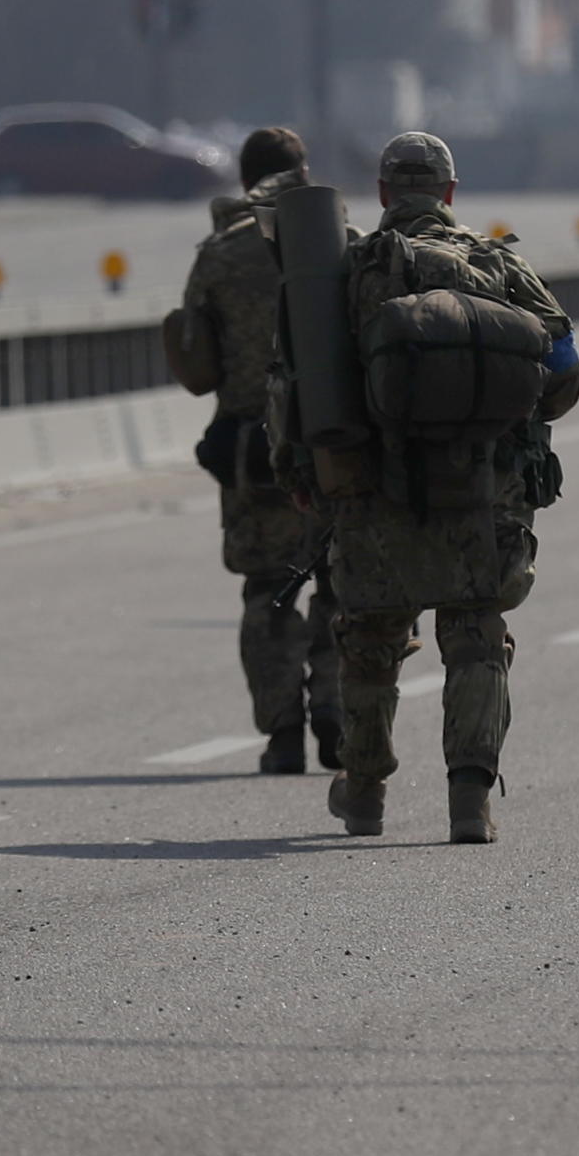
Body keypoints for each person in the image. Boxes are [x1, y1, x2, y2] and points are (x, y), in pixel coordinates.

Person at [280, 131, 579, 843]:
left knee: (371, 640)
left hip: (375, 490)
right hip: (482, 491)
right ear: (449, 193)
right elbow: (563, 374)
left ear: (385, 193)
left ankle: (362, 793)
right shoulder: (501, 263)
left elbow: (294, 386)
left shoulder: (344, 271)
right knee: (476, 637)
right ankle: (469, 800)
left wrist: (302, 476)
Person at [173, 126, 341, 773]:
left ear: (245, 182)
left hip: (253, 452)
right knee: (338, 587)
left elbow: (194, 359)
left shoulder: (218, 255)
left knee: (266, 593)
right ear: (304, 175)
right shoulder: (337, 242)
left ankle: (283, 731)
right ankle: (334, 710)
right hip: (329, 446)